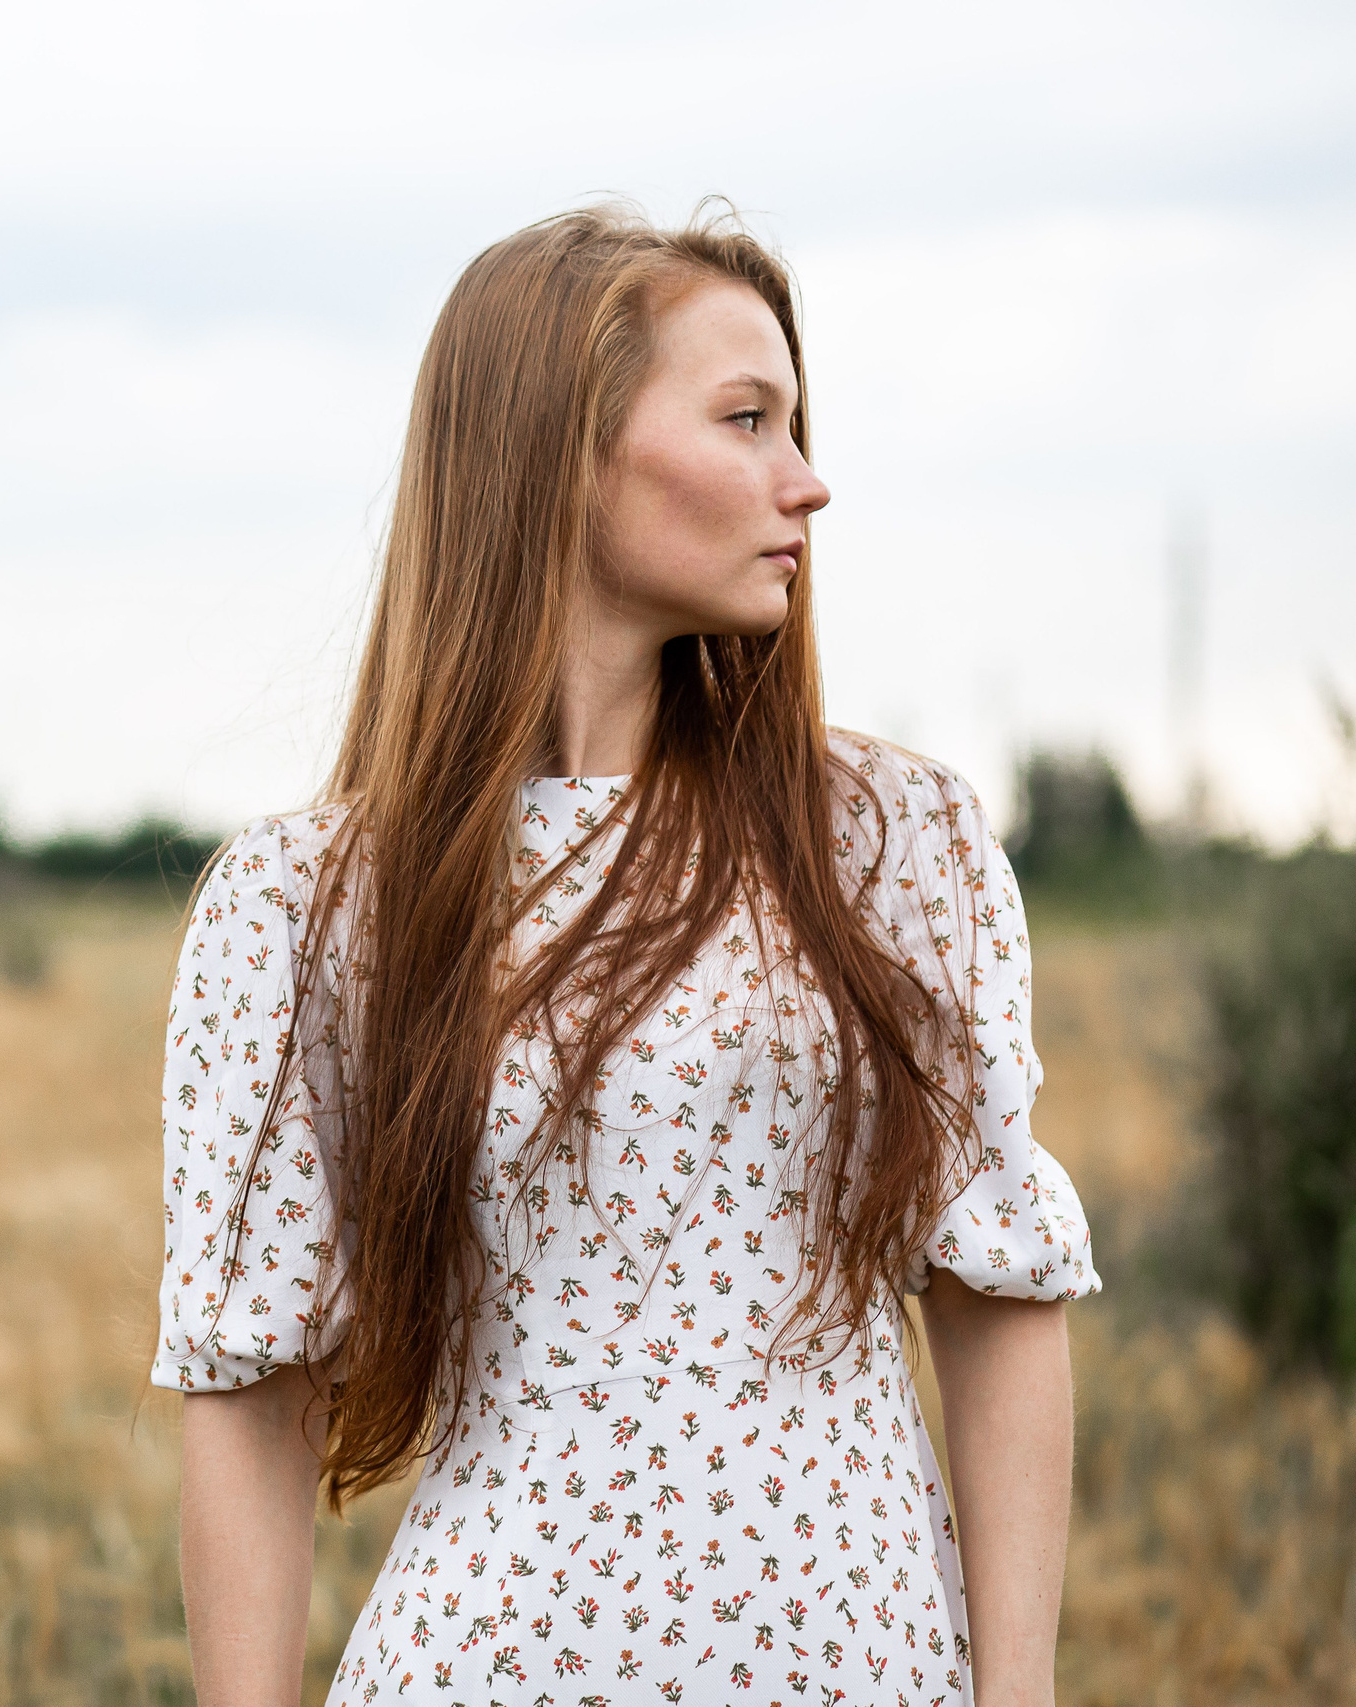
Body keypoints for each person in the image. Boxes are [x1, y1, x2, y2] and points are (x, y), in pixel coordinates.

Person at [152, 203, 1100, 1707]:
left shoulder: (892, 841)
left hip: (862, 1673)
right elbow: (255, 1400)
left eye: (798, 422)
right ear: (562, 452)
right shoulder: (306, 905)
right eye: (747, 419)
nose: (808, 481)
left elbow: (998, 1301)